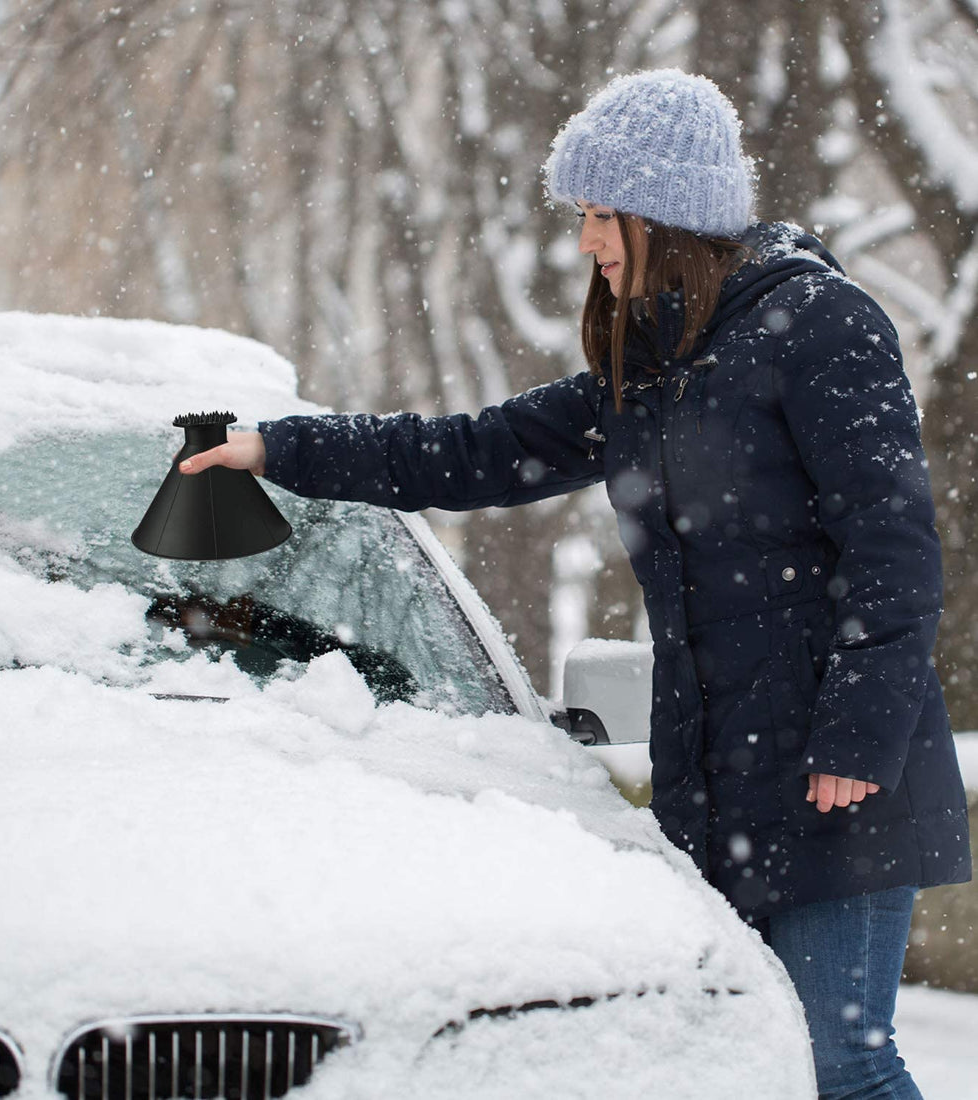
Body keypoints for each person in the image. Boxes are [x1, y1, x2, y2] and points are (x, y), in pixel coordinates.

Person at [178, 70, 971, 1099]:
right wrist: (274, 447)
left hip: (837, 775)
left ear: (664, 213)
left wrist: (854, 739)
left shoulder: (819, 324)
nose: (588, 240)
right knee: (751, 1066)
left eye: (602, 214)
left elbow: (892, 547)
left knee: (840, 1061)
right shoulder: (644, 368)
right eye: (584, 215)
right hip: (719, 777)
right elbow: (464, 453)